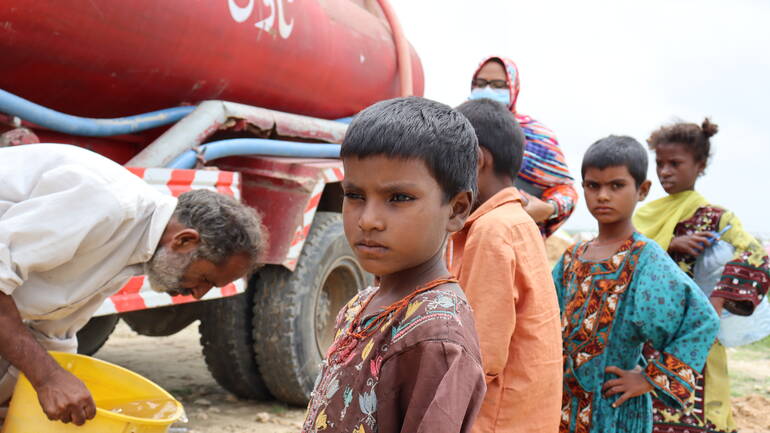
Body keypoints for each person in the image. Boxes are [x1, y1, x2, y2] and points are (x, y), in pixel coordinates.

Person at [0, 143, 265, 426]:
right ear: (184, 240)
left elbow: (52, 336)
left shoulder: (134, 247)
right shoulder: (105, 205)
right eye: (205, 280)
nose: (198, 294)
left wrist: (27, 399)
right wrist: (48, 378)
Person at [301, 97, 486, 433]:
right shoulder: (363, 302)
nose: (368, 220)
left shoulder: (436, 337)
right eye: (355, 195)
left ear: (457, 209)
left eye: (399, 198)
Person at [553, 135, 719, 433]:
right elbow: (544, 319)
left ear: (642, 190)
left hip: (614, 409)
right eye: (593, 185)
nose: (603, 196)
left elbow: (701, 319)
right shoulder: (571, 258)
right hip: (562, 405)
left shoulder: (644, 259)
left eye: (616, 185)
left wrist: (649, 378)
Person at [633, 119, 769, 433]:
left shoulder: (716, 218)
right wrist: (669, 244)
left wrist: (716, 302)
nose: (665, 171)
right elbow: (622, 253)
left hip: (695, 334)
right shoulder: (643, 215)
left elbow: (757, 255)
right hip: (646, 334)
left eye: (675, 163)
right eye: (660, 164)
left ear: (700, 166)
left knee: (695, 410)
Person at [448, 98, 563, 433]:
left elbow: (480, 354)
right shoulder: (517, 221)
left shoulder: (492, 230)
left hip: (497, 420)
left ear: (477, 160)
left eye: (448, 160)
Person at [468, 56, 577, 237]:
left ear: (513, 87)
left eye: (498, 85)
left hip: (518, 237)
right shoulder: (455, 128)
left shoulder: (537, 137)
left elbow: (565, 189)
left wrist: (549, 208)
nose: (487, 90)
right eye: (480, 83)